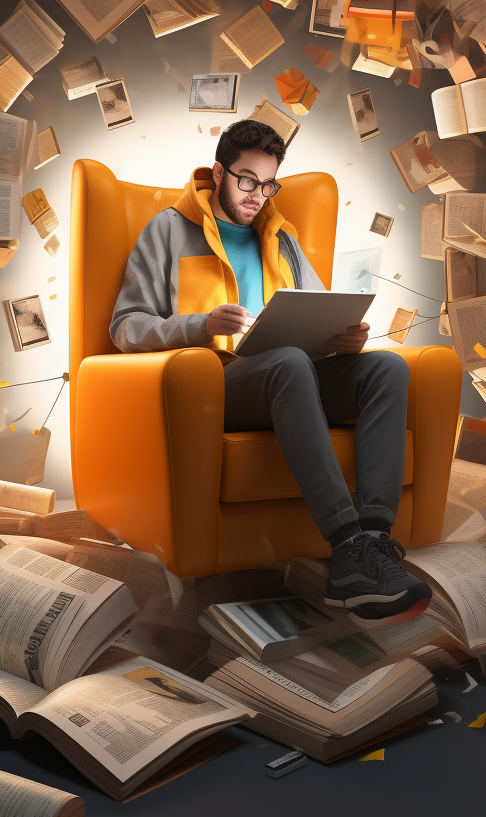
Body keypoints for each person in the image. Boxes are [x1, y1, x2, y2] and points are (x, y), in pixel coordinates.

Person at [110, 120, 432, 619]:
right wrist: (199, 325)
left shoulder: (283, 238)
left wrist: (346, 337)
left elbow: (322, 308)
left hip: (294, 377)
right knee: (287, 361)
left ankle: (374, 542)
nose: (258, 194)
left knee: (386, 368)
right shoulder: (168, 229)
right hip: (217, 388)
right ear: (218, 173)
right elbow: (125, 327)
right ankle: (345, 544)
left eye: (268, 183)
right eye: (246, 179)